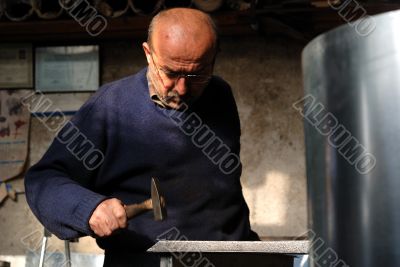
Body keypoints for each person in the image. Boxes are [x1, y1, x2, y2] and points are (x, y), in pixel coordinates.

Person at [25, 7, 259, 267]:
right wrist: (87, 208)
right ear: (148, 54)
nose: (182, 88)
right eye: (170, 73)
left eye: (197, 73)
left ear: (214, 58)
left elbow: (225, 193)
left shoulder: (220, 94)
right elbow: (43, 179)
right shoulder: (110, 107)